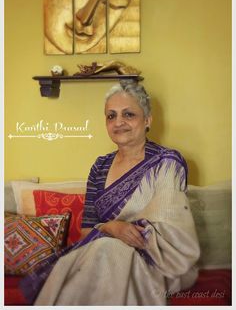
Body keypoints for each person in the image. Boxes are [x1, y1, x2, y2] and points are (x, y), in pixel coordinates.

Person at [21, 81, 200, 305]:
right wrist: (110, 227)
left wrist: (119, 238)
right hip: (98, 256)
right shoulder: (100, 166)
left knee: (107, 250)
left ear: (147, 120)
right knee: (100, 251)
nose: (118, 123)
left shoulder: (166, 162)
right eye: (110, 116)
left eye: (128, 114)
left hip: (155, 263)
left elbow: (171, 236)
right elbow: (87, 232)